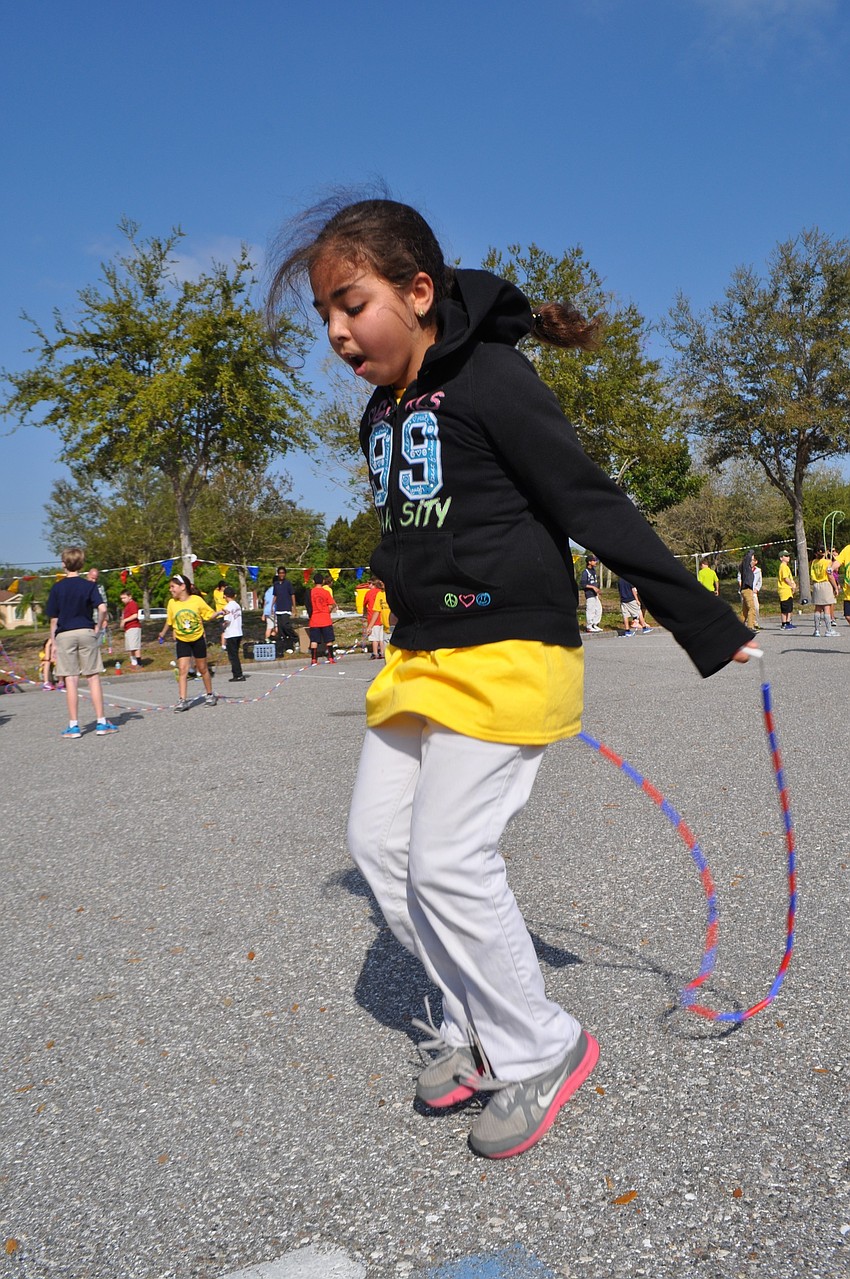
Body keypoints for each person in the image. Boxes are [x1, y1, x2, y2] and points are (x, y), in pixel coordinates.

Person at [267, 195, 756, 1161]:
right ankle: (479, 1020)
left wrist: (698, 615)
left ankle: (543, 1043)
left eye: (350, 303)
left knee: (448, 859)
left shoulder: (493, 379)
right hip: (421, 657)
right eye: (324, 314)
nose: (335, 332)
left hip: (507, 652)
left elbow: (584, 497)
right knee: (379, 845)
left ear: (416, 292)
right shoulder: (384, 408)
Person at [45, 547, 119, 737]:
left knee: (71, 679)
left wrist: (53, 643)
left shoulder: (57, 587)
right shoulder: (89, 586)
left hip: (65, 633)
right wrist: (99, 626)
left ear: (63, 564)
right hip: (86, 630)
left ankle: (74, 725)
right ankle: (101, 722)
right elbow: (102, 608)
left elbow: (54, 619)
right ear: (82, 564)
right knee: (93, 676)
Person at [157, 573, 223, 710]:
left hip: (197, 639)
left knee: (203, 668)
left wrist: (219, 612)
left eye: (172, 587)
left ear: (182, 587)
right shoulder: (171, 603)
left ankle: (210, 694)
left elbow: (208, 615)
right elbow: (170, 621)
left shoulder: (196, 600)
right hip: (182, 640)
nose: (170, 590)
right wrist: (162, 633)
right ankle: (182, 700)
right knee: (182, 670)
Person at [308, 571, 337, 666]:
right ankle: (331, 657)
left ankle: (313, 659)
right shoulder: (326, 592)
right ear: (323, 581)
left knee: (314, 640)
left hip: (314, 619)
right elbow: (332, 604)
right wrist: (327, 610)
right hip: (325, 618)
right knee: (328, 640)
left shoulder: (310, 592)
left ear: (313, 581)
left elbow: (308, 605)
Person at [809, 547, 836, 637]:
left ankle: (817, 630)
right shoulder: (827, 562)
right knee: (826, 607)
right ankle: (829, 630)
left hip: (816, 584)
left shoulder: (814, 562)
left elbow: (812, 574)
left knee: (818, 608)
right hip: (825, 584)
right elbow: (830, 575)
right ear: (825, 553)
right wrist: (835, 587)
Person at [272, 566, 298, 654]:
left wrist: (294, 608)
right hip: (279, 608)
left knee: (286, 625)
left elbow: (292, 595)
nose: (281, 574)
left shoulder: (288, 583)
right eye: (280, 573)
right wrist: (272, 606)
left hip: (286, 607)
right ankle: (284, 646)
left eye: (283, 573)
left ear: (285, 574)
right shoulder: (275, 584)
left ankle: (294, 638)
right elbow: (275, 595)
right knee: (281, 629)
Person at [221, 586, 246, 681]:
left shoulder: (227, 607)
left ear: (225, 596)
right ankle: (237, 673)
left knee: (232, 656)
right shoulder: (237, 605)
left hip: (231, 633)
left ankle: (238, 674)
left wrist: (223, 625)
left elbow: (227, 621)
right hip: (238, 632)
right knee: (235, 654)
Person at [579, 554, 603, 633]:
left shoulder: (593, 571)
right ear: (589, 562)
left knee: (599, 609)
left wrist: (598, 591)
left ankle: (594, 624)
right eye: (593, 560)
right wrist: (593, 587)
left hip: (595, 595)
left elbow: (595, 582)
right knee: (591, 610)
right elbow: (582, 584)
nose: (595, 562)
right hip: (589, 594)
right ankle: (589, 626)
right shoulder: (585, 572)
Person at [119, 589, 143, 666]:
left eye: (124, 598)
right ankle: (133, 662)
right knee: (130, 646)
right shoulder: (126, 606)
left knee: (135, 646)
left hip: (134, 627)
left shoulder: (133, 604)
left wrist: (125, 620)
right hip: (128, 628)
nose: (123, 600)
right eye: (121, 598)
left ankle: (139, 663)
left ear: (130, 597)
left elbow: (135, 615)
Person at [365, 578, 387, 659]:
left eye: (369, 584)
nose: (368, 586)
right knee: (381, 638)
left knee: (375, 638)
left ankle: (375, 653)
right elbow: (377, 610)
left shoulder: (369, 593)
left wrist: (364, 613)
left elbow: (364, 604)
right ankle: (382, 652)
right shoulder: (380, 593)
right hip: (382, 620)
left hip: (375, 619)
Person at [777, 553, 797, 630]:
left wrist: (793, 585)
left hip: (788, 590)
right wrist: (791, 585)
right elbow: (785, 578)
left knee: (789, 607)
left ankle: (788, 622)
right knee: (785, 608)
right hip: (784, 589)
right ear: (781, 558)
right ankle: (784, 623)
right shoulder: (783, 566)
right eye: (785, 556)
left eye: (788, 556)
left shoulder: (786, 567)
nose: (788, 557)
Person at [739, 549, 758, 630]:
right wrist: (751, 551)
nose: (752, 560)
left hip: (746, 589)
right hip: (747, 589)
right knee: (752, 608)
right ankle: (750, 627)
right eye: (752, 559)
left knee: (745, 611)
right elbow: (748, 557)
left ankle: (737, 627)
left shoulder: (748, 568)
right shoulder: (746, 565)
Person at [751, 556, 762, 628]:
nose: (751, 562)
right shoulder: (744, 569)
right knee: (747, 609)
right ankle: (749, 624)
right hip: (746, 591)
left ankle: (755, 622)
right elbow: (740, 580)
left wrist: (756, 589)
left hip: (753, 592)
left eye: (753, 560)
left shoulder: (758, 570)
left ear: (756, 562)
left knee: (756, 607)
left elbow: (760, 581)